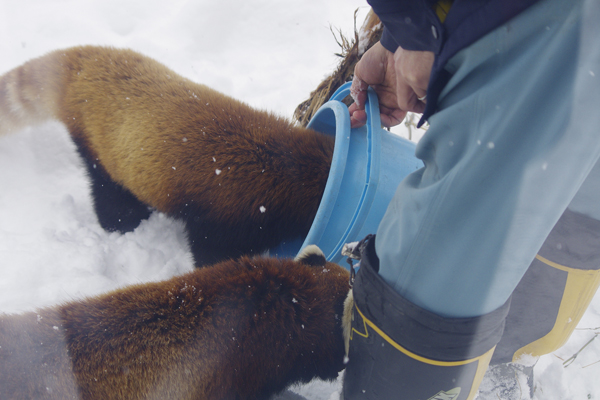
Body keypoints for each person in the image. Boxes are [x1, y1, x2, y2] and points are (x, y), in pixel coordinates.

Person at [343, 0, 600, 399]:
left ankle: (466, 373)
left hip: (533, 21)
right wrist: (399, 39)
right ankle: (507, 360)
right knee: (568, 198)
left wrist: (413, 29)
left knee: (431, 270)